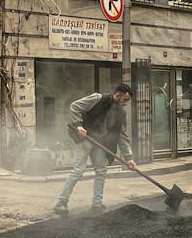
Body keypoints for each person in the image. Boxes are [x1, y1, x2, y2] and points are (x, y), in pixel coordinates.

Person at [54, 83, 137, 216]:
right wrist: (79, 125)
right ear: (117, 95)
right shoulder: (97, 98)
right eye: (125, 100)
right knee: (79, 170)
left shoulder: (121, 113)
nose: (126, 103)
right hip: (85, 138)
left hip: (99, 142)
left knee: (101, 169)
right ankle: (61, 202)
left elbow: (122, 136)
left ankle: (97, 204)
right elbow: (75, 107)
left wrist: (129, 158)